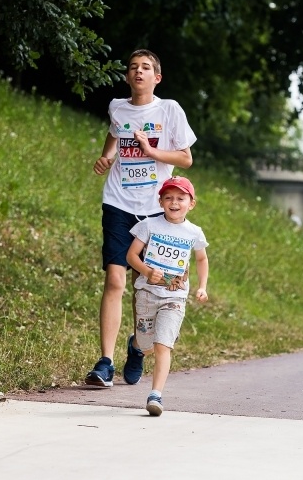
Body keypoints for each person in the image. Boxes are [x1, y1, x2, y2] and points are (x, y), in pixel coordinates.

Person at [86, 49, 197, 387]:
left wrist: (150, 151)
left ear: (156, 77)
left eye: (146, 68)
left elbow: (185, 158)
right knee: (115, 280)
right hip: (118, 201)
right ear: (127, 76)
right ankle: (104, 362)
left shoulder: (169, 109)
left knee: (146, 288)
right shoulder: (118, 107)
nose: (139, 72)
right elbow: (114, 134)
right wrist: (107, 157)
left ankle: (137, 346)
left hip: (154, 209)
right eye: (133, 67)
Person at [126, 176, 209, 416]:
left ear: (191, 203)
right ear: (160, 201)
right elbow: (132, 256)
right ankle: (135, 346)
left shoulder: (194, 232)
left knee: (163, 345)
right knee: (146, 345)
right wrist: (147, 271)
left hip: (175, 297)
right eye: (169, 198)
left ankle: (156, 395)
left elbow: (202, 259)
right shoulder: (149, 225)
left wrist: (202, 286)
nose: (174, 202)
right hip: (147, 293)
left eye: (181, 198)